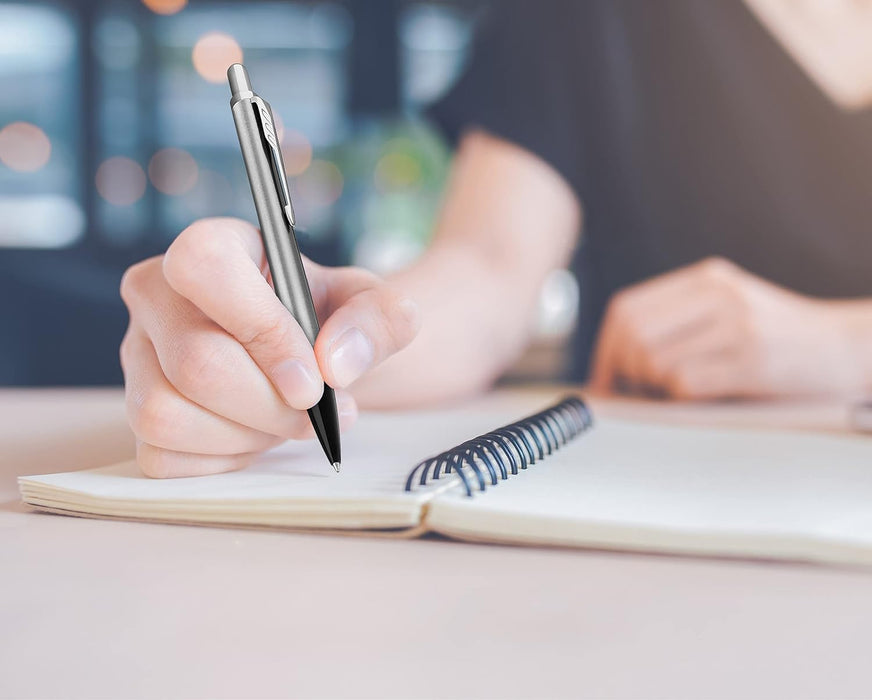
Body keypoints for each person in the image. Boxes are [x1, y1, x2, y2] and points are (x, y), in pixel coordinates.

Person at [120, 0, 872, 477]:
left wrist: (841, 343)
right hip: (653, 520)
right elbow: (485, 273)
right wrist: (302, 331)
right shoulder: (584, 18)